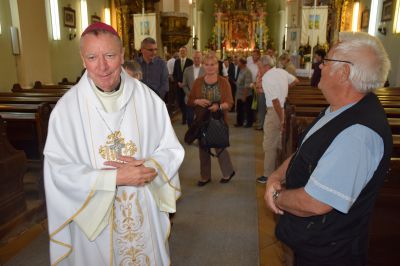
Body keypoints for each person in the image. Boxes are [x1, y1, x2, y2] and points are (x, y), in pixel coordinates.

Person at [44, 22, 184, 265]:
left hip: (142, 210)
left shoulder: (148, 100)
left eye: (109, 55)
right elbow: (58, 171)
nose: (102, 66)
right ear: (82, 59)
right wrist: (114, 179)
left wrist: (148, 166)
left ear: (122, 55)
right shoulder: (66, 110)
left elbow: (171, 150)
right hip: (93, 226)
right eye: (92, 57)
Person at [265, 32, 392, 265]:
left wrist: (276, 195)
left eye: (326, 61)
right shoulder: (339, 108)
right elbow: (307, 149)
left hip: (328, 254)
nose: (320, 66)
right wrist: (277, 175)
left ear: (344, 73)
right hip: (313, 242)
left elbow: (315, 202)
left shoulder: (357, 134)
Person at [187, 53, 235, 186]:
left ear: (217, 66)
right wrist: (198, 101)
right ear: (203, 65)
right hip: (202, 120)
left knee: (219, 146)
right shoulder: (198, 82)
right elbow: (190, 101)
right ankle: (205, 176)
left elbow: (230, 103)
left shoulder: (224, 82)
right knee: (203, 148)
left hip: (218, 120)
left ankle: (227, 172)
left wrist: (218, 106)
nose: (210, 67)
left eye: (212, 64)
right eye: (207, 64)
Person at [257, 56, 298, 184]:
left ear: (266, 66)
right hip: (284, 108)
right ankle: (280, 173)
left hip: (275, 112)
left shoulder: (267, 78)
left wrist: (281, 120)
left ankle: (268, 175)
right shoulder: (282, 72)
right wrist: (284, 90)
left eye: (260, 67)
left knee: (269, 143)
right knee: (280, 142)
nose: (259, 70)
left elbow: (274, 101)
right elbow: (296, 80)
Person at [182, 50, 205, 127]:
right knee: (189, 119)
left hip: (202, 99)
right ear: (192, 58)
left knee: (201, 119)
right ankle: (191, 135)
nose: (196, 60)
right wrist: (190, 95)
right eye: (195, 58)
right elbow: (184, 85)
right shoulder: (187, 70)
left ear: (201, 58)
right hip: (189, 98)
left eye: (198, 58)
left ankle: (200, 136)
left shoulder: (206, 70)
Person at [173, 46, 193, 125]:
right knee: (180, 102)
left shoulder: (190, 61)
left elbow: (191, 74)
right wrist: (177, 82)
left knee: (186, 102)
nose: (182, 53)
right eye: (181, 51)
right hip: (178, 85)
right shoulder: (176, 61)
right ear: (179, 52)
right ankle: (185, 115)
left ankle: (185, 118)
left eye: (184, 51)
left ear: (186, 52)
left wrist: (185, 83)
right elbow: (175, 74)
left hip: (187, 86)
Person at [234, 58, 253, 127]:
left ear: (242, 63)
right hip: (239, 93)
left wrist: (244, 96)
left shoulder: (247, 71)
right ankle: (240, 122)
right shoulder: (241, 70)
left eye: (238, 62)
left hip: (246, 94)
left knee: (247, 110)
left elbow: (247, 85)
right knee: (240, 109)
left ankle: (249, 123)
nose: (237, 63)